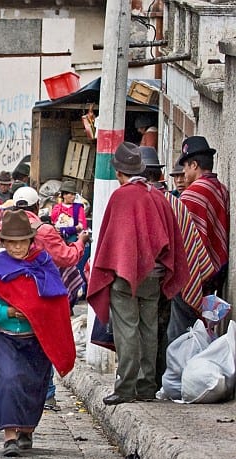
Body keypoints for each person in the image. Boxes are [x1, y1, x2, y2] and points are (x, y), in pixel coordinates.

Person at [0, 210, 75, 457]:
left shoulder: (44, 265)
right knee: (7, 379)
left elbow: (57, 301)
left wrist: (42, 316)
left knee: (32, 384)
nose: (17, 247)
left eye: (22, 241)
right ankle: (10, 436)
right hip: (2, 338)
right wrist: (9, 312)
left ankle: (26, 429)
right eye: (11, 242)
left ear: (31, 241)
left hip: (35, 339)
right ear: (3, 243)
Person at [87, 142, 189, 406]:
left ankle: (124, 388)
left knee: (127, 329)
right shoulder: (157, 196)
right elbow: (170, 240)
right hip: (153, 276)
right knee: (149, 327)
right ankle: (146, 386)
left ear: (120, 172)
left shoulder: (121, 197)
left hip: (124, 275)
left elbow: (110, 241)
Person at [140, 146, 216, 385]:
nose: (180, 178)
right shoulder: (172, 200)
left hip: (162, 277)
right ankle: (164, 378)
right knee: (163, 326)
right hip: (178, 272)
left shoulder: (151, 201)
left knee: (153, 327)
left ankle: (156, 380)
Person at [178, 135, 229, 298]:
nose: (183, 171)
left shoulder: (191, 195)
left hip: (195, 274)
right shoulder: (221, 189)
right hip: (218, 272)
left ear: (194, 165)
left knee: (182, 321)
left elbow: (183, 241)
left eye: (185, 166)